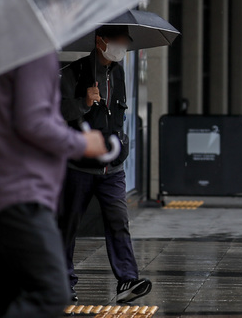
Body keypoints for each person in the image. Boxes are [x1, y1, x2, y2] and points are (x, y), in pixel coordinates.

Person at [0, 52, 108, 318]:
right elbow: (34, 123)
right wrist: (83, 144)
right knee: (51, 291)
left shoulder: (1, 54)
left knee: (12, 294)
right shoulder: (35, 53)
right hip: (21, 193)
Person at [59, 25, 151, 303]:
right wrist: (84, 102)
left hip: (112, 168)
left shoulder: (119, 72)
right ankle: (63, 281)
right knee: (68, 225)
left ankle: (127, 280)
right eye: (119, 41)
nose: (123, 46)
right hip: (79, 166)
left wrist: (122, 143)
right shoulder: (73, 73)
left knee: (118, 221)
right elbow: (57, 111)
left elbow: (117, 114)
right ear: (101, 41)